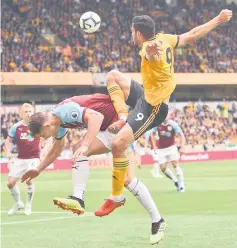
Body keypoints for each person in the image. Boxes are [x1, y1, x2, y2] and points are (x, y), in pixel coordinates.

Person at [96, 9, 232, 219]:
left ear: (139, 34)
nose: (131, 35)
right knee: (113, 76)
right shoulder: (165, 39)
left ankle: (116, 197)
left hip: (154, 107)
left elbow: (151, 55)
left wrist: (151, 52)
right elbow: (192, 35)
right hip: (146, 95)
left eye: (132, 31)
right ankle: (124, 116)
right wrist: (218, 19)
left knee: (117, 144)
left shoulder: (147, 49)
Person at [21, 93, 165, 244]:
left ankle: (80, 198)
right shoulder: (58, 122)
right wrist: (38, 169)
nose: (44, 138)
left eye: (43, 135)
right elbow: (58, 148)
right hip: (112, 127)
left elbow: (96, 117)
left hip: (119, 124)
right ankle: (157, 220)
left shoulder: (65, 112)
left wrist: (85, 144)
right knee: (125, 178)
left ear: (46, 126)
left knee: (83, 151)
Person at [4, 103, 40, 216]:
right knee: (10, 183)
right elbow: (7, 142)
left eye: (30, 111)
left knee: (29, 179)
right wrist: (9, 154)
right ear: (21, 114)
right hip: (20, 158)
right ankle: (18, 203)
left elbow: (48, 138)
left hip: (34, 157)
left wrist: (44, 151)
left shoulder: (37, 126)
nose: (28, 114)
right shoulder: (16, 127)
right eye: (26, 112)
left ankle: (28, 204)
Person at [150, 119, 186, 192]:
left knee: (175, 164)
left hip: (171, 147)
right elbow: (152, 134)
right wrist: (154, 145)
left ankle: (181, 185)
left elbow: (181, 134)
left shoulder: (173, 124)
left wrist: (182, 146)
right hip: (161, 149)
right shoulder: (157, 123)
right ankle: (176, 181)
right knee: (162, 168)